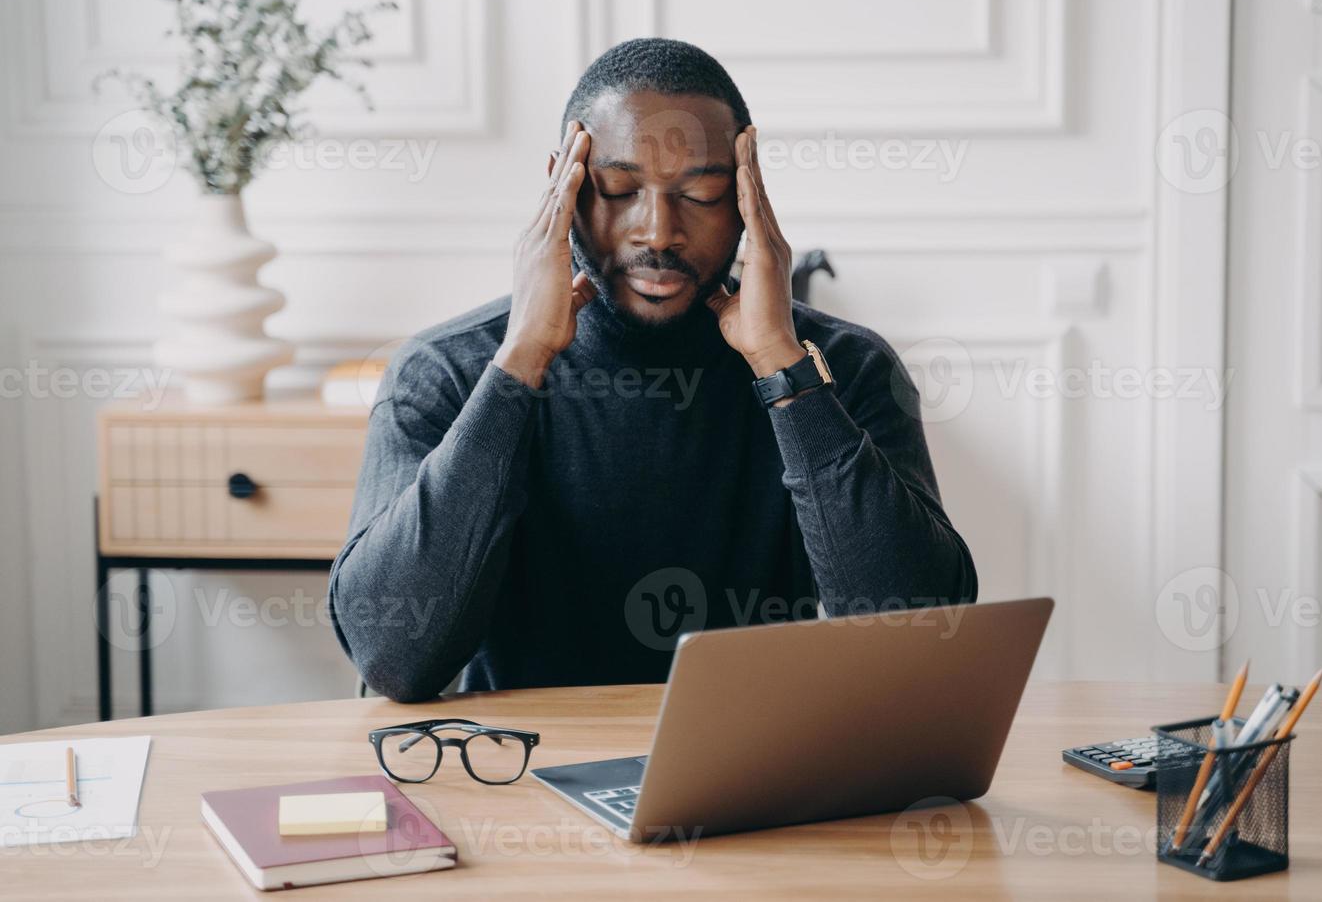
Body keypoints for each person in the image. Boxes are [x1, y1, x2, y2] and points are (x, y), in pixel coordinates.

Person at [329, 38, 977, 701]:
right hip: (515, 774)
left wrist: (784, 371)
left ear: (749, 198)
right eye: (618, 188)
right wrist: (519, 364)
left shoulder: (843, 368)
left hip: (755, 776)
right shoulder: (445, 371)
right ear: (565, 187)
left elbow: (914, 645)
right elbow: (393, 659)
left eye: (700, 192)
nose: (658, 230)